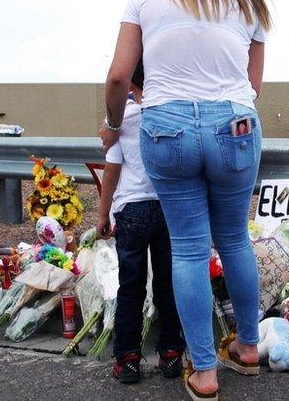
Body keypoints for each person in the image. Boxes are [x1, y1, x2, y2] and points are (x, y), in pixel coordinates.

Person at [100, 0, 289, 400]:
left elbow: (120, 76)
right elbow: (253, 87)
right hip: (235, 122)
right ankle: (249, 350)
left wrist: (111, 122)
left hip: (166, 126)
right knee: (234, 239)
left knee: (188, 247)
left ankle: (204, 373)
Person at [95, 60, 185, 385]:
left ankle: (128, 360)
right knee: (168, 284)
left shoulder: (121, 121)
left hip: (131, 209)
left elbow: (112, 169)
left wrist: (103, 214)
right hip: (168, 207)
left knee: (131, 287)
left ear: (130, 83)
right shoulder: (173, 112)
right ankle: (171, 354)